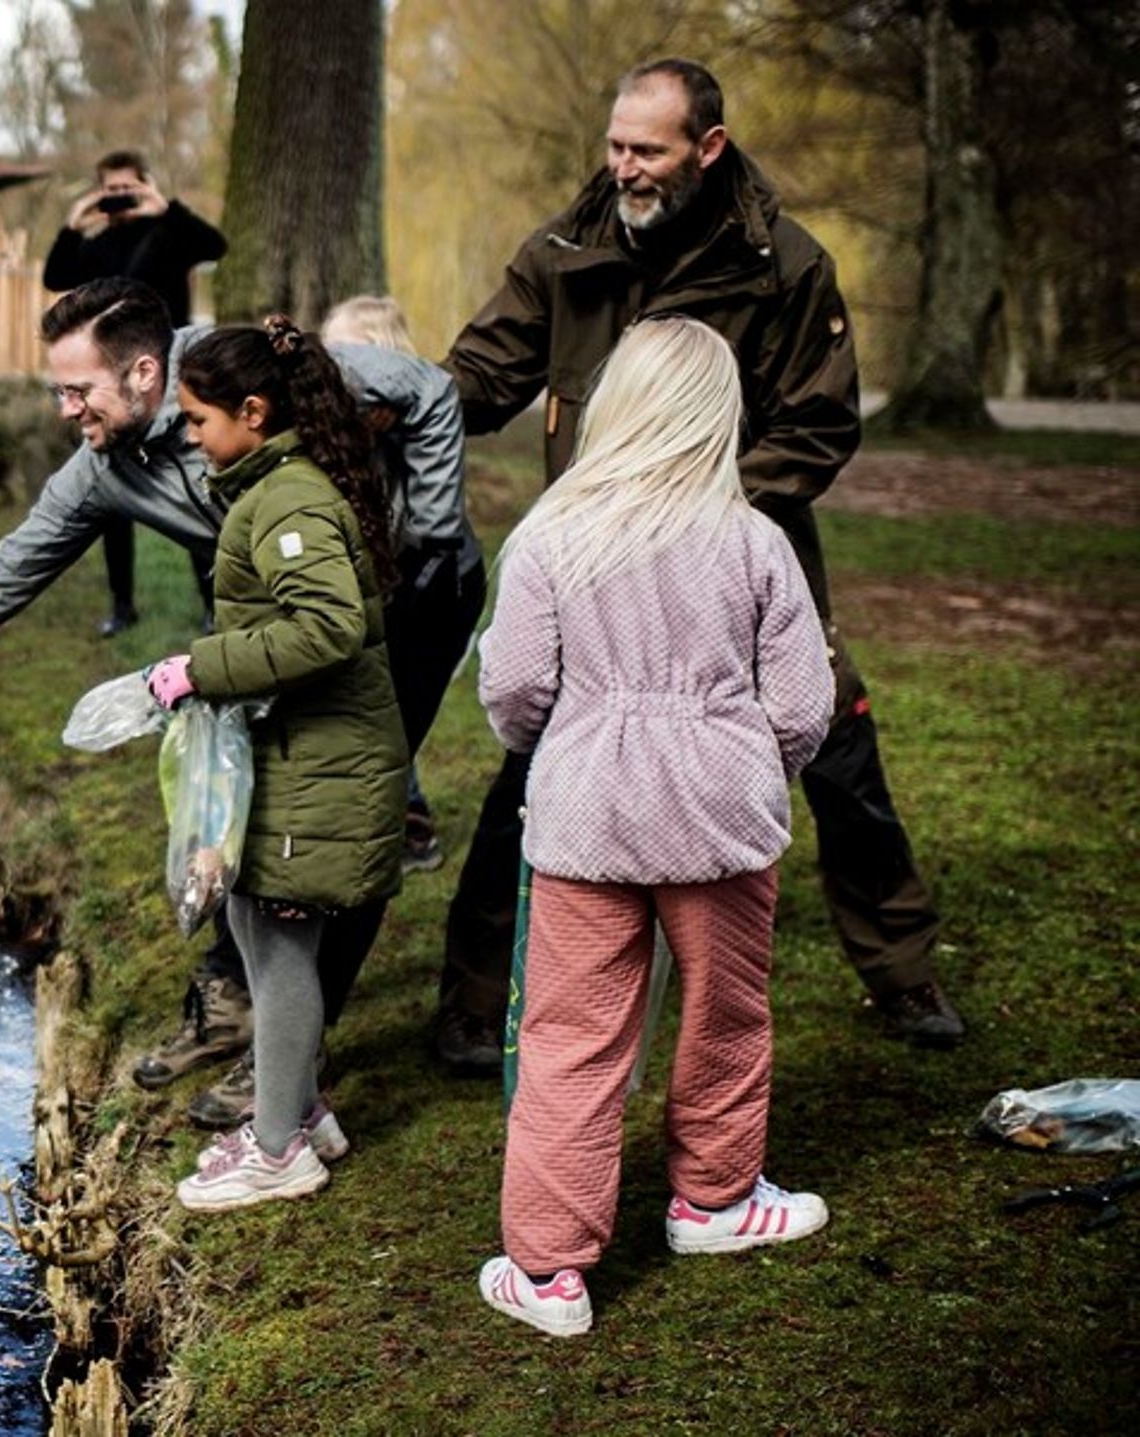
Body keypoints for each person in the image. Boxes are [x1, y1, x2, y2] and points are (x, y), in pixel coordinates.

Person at [429, 57, 963, 1074]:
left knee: (837, 744)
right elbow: (478, 377)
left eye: (646, 150)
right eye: (614, 145)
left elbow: (817, 426)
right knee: (534, 760)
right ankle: (470, 993)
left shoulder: (786, 266)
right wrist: (376, 402)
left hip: (742, 553)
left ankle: (901, 968)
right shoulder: (563, 251)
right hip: (592, 564)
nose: (622, 167)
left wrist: (701, 517)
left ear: (706, 149)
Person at [0, 276, 460, 1129]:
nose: (63, 409)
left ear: (140, 372)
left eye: (75, 389)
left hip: (407, 600)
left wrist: (426, 534)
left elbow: (430, 390)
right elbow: (10, 571)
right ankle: (240, 1005)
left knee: (339, 827)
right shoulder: (101, 470)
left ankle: (289, 1068)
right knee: (260, 814)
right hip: (280, 625)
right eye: (56, 390)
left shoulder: (246, 368)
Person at [474, 316, 835, 1338]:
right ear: (716, 416)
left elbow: (513, 687)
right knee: (726, 1013)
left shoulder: (550, 533)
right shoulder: (754, 541)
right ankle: (714, 1201)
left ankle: (546, 1271)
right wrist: (754, 764)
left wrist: (563, 740)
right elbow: (804, 704)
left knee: (569, 1036)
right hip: (721, 814)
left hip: (586, 812)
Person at [148, 318, 408, 1211]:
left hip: (320, 765)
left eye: (195, 418)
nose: (186, 435)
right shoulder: (270, 490)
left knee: (283, 946)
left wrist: (200, 669)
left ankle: (276, 1151)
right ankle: (302, 1113)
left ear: (252, 412)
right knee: (259, 933)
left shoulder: (288, 501)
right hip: (297, 757)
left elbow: (327, 628)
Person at [320, 296, 484, 876]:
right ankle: (395, 810)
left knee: (391, 707)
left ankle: (403, 816)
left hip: (432, 588)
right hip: (375, 590)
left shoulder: (415, 433)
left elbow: (426, 527)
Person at [43, 151, 230, 638]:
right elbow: (55, 276)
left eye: (128, 187)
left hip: (170, 371)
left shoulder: (170, 233)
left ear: (145, 185)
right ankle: (122, 604)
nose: (120, 197)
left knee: (194, 479)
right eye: (111, 190)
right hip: (109, 379)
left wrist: (164, 207)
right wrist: (74, 221)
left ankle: (213, 604)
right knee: (109, 489)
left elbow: (216, 245)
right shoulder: (98, 246)